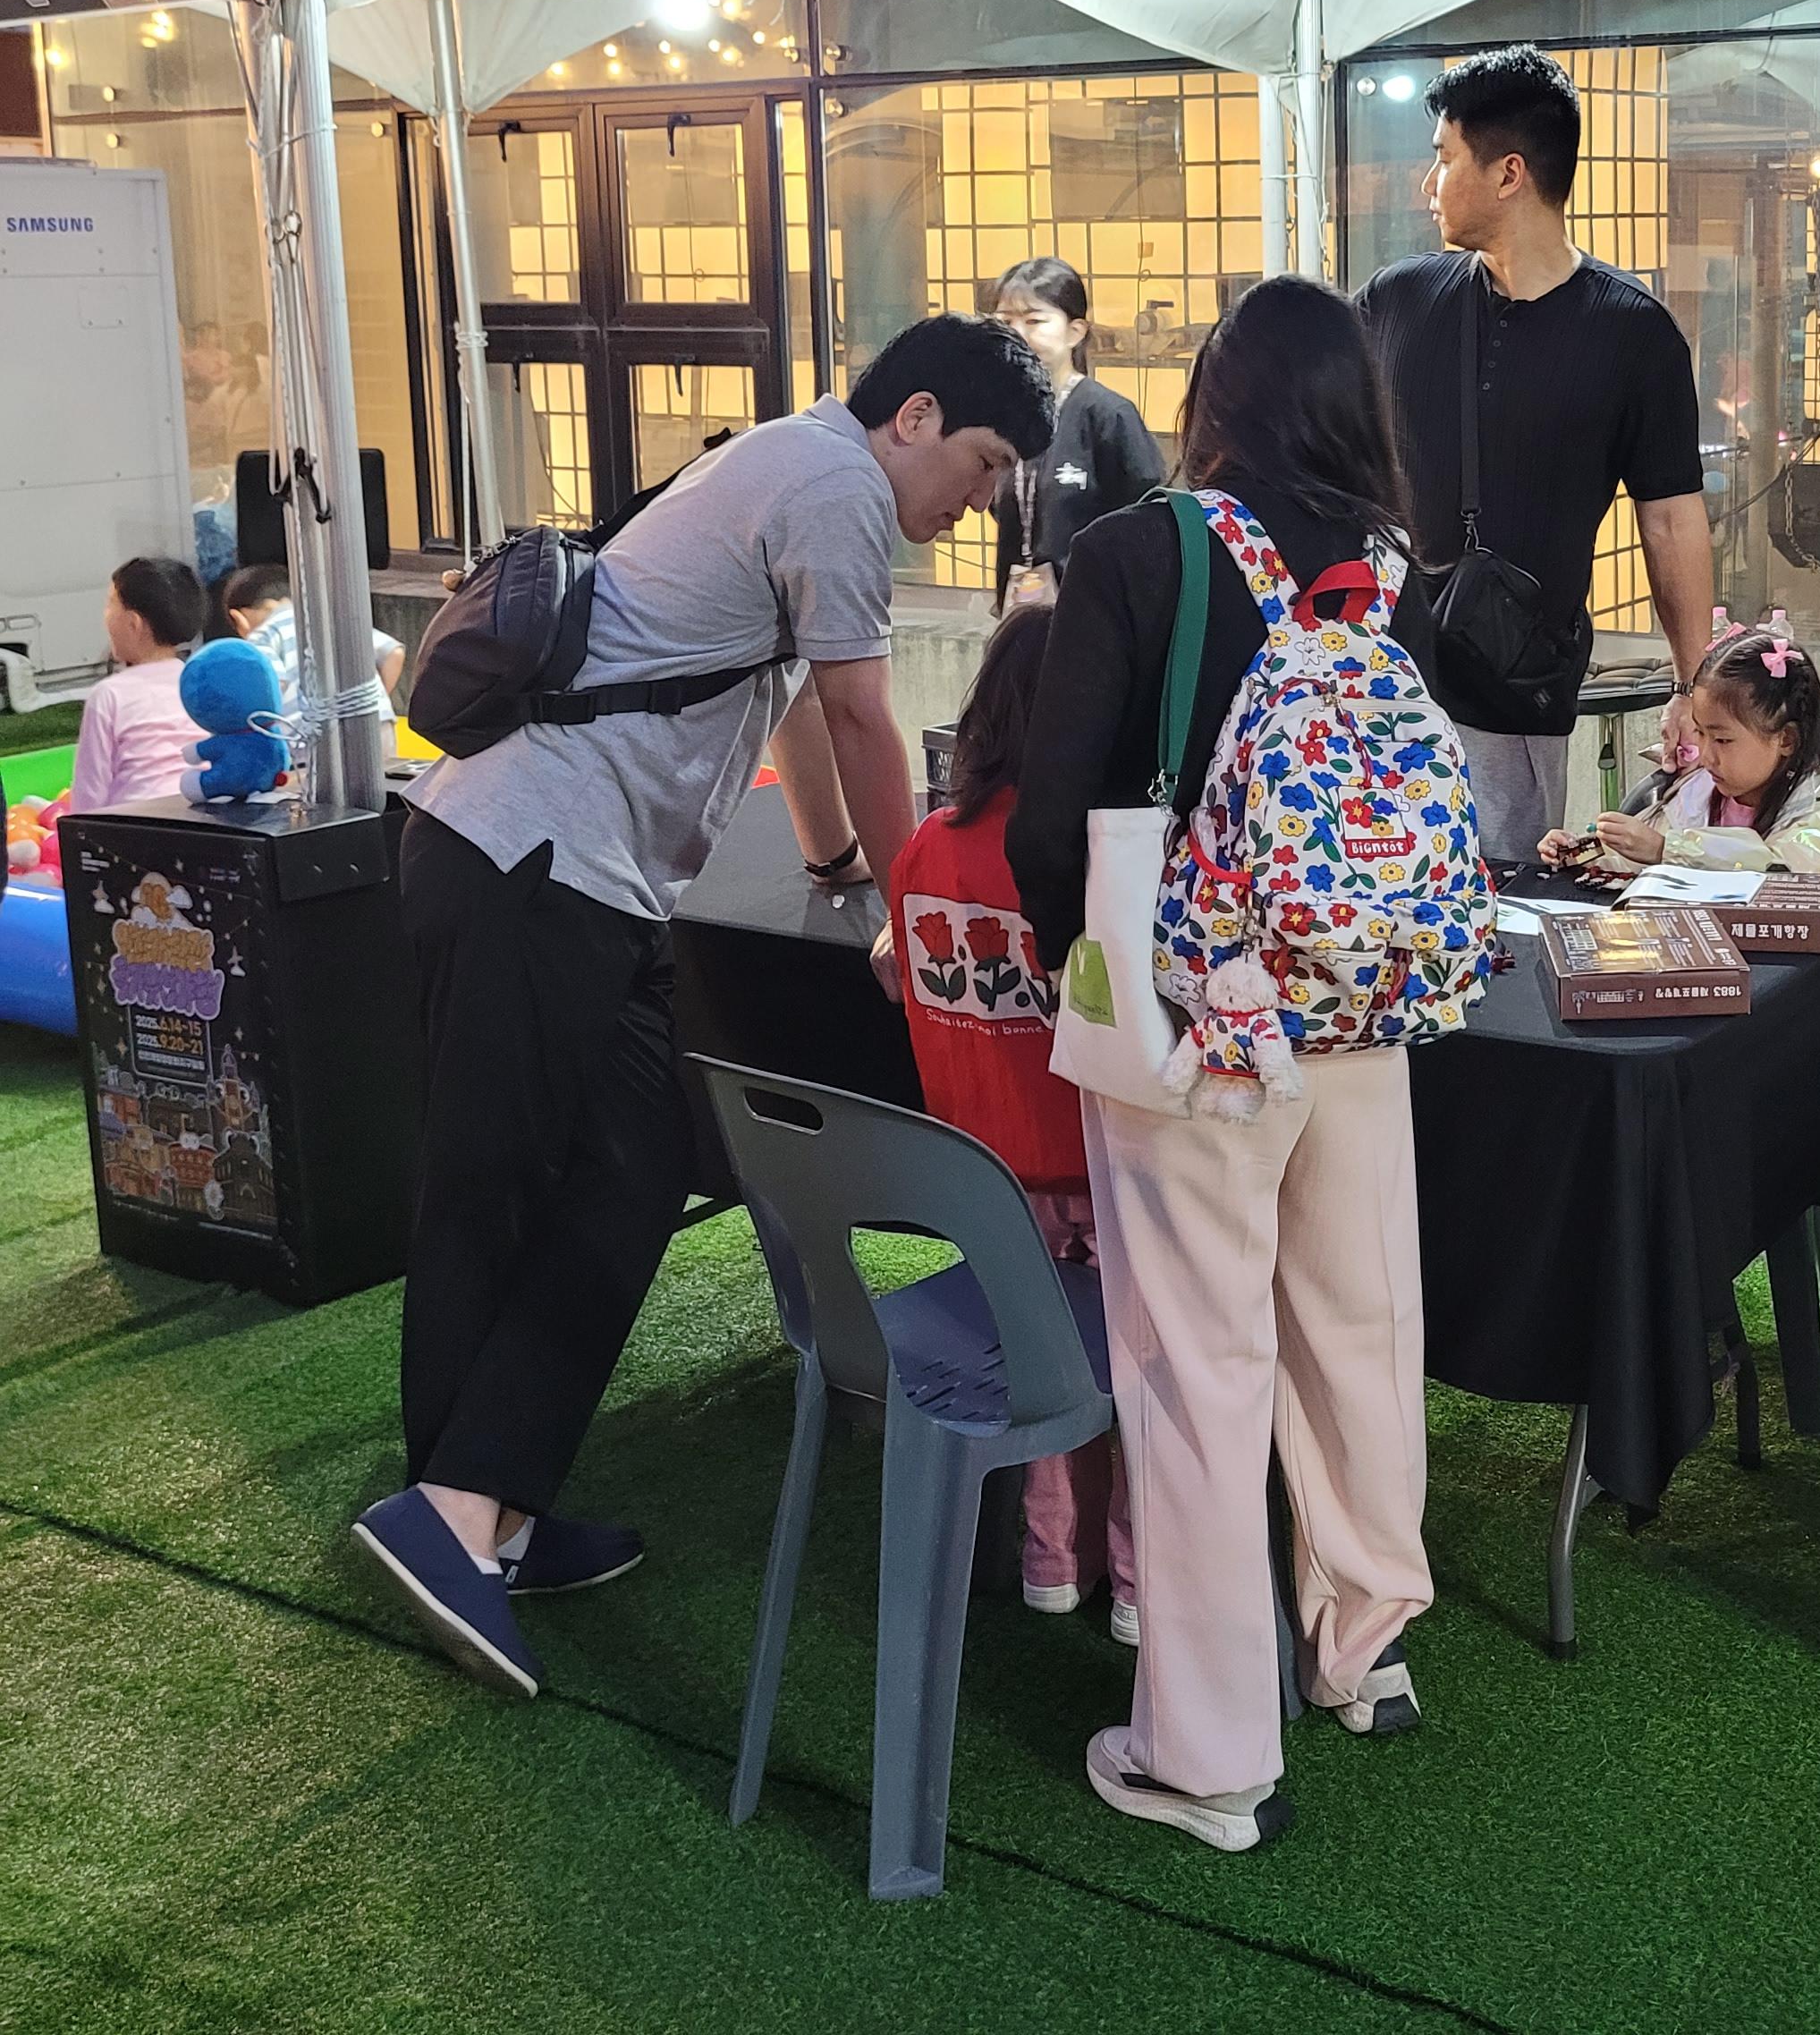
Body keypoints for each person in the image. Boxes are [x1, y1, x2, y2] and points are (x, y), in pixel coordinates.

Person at [351, 317, 1055, 1702]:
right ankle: (459, 1519)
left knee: (630, 1172)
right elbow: (858, 715)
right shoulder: (836, 483)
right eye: (982, 463)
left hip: (584, 883)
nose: (980, 500)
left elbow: (784, 698)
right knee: (494, 1187)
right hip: (525, 862)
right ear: (916, 416)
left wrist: (840, 868)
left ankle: (483, 1506)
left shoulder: (789, 462)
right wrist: (917, 916)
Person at [1009, 277, 1439, 1856]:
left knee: (1194, 1366)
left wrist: (1091, 969)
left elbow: (1051, 820)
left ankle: (1206, 1752)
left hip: (1196, 1017)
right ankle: (1362, 1645)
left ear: (1217, 396)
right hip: (1357, 1002)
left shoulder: (1141, 552)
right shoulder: (1385, 567)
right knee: (1356, 1327)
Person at [1542, 617, 1820, 1411]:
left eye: (1722, 739)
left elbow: (1792, 866)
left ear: (1786, 739)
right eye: (1699, 734)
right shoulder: (1691, 791)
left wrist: (1668, 850)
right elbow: (1644, 862)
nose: (1702, 754)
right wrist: (1588, 848)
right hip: (1711, 1027)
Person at [1358, 45, 1713, 862]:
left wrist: (1693, 686)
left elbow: (1669, 519)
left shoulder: (1633, 332)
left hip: (1514, 691)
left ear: (1509, 172)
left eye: (1445, 158)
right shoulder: (1395, 300)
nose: (1428, 183)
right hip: (1377, 682)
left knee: (1503, 898)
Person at [891, 604, 1135, 1637]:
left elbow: (901, 974)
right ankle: (1141, 1585)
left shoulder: (922, 850)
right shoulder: (1090, 861)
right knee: (1143, 1374)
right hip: (1098, 1169)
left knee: (1042, 1361)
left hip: (983, 1186)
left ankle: (1051, 1561)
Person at [988, 257, 1164, 609]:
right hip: (1018, 614)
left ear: (1075, 331)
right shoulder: (999, 415)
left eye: (1034, 321)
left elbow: (1150, 515)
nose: (1017, 334)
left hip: (1094, 613)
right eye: (1005, 322)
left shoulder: (1108, 414)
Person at [69, 557, 207, 812]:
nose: (104, 615)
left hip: (137, 823)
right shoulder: (200, 681)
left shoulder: (109, 695)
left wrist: (75, 831)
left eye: (110, 604)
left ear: (133, 623)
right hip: (203, 814)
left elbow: (90, 791)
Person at [219, 565, 405, 704]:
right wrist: (370, 704)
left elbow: (272, 683)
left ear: (238, 618)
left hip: (313, 732)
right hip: (376, 725)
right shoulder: (326, 620)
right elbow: (394, 653)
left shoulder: (263, 635)